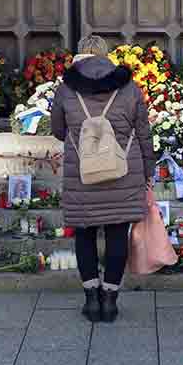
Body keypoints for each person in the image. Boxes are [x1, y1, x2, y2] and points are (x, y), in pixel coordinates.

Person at [51, 36, 155, 322]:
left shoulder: (66, 89)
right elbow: (144, 132)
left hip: (83, 173)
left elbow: (59, 131)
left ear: (80, 56)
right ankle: (110, 300)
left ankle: (91, 299)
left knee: (84, 234)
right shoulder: (128, 86)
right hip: (122, 172)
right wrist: (149, 169)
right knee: (117, 234)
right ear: (106, 56)